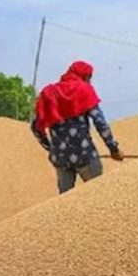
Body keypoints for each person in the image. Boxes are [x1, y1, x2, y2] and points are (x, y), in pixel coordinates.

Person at [31, 61, 124, 194]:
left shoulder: (49, 93)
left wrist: (51, 148)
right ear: (85, 76)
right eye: (89, 77)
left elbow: (36, 127)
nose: (90, 81)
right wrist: (113, 149)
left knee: (64, 199)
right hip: (84, 154)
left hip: (60, 158)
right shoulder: (84, 89)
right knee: (98, 194)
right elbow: (100, 122)